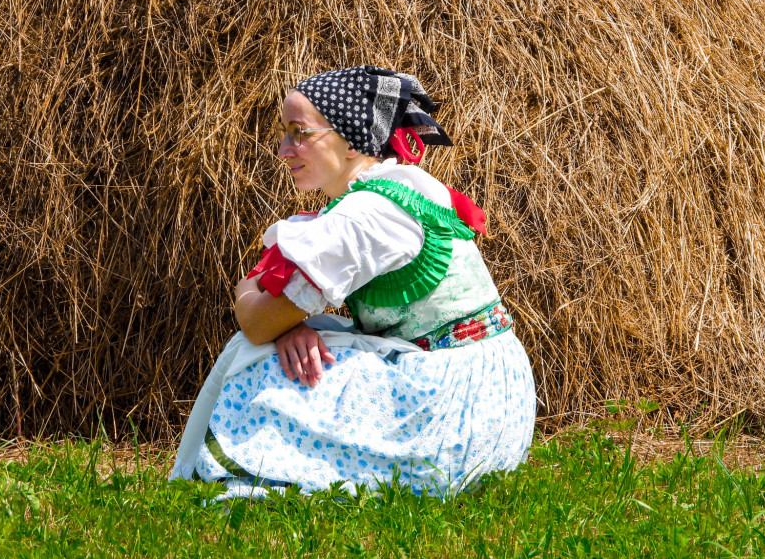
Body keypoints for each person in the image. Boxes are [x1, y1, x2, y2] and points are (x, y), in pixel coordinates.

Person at [170, 66, 537, 498]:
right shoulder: (400, 183)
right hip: (494, 398)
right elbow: (266, 301)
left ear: (349, 138)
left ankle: (250, 468)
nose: (285, 150)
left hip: (453, 415)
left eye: (300, 133)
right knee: (304, 337)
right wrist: (286, 318)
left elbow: (255, 322)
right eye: (285, 134)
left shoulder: (362, 218)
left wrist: (272, 315)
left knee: (259, 359)